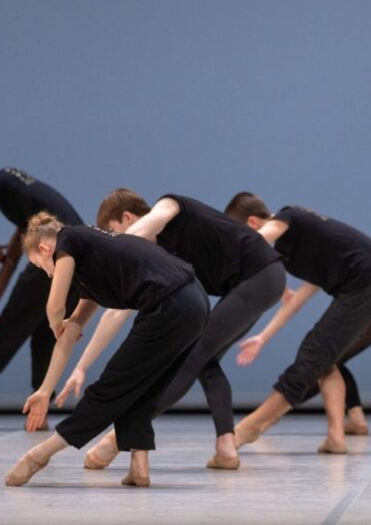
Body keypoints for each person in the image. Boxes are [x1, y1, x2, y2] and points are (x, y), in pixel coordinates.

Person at [65, 189, 286, 471]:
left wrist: (114, 248)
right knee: (206, 361)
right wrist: (82, 365)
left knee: (190, 358)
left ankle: (114, 442)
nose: (111, 241)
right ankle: (226, 447)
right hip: (259, 281)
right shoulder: (159, 259)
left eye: (112, 232)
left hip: (260, 275)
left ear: (128, 217)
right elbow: (117, 311)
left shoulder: (168, 205)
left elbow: (151, 222)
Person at [5, 213, 208, 487]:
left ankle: (40, 454)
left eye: (40, 266)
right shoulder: (88, 269)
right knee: (142, 389)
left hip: (172, 302)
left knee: (110, 387)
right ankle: (139, 468)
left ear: (44, 249)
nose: (47, 273)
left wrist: (55, 323)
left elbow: (55, 309)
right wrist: (44, 390)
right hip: (194, 303)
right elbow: (71, 332)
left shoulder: (69, 237)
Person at [224, 193, 371, 455]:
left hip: (368, 283)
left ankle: (249, 428)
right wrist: (263, 337)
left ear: (252, 222)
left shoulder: (288, 216)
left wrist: (225, 253)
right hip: (369, 285)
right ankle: (336, 437)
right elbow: (296, 301)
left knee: (312, 355)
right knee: (324, 360)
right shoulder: (295, 250)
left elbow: (258, 240)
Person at [0, 165, 82, 417]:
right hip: (78, 264)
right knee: (45, 334)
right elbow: (8, 264)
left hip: (54, 260)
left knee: (5, 334)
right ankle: (39, 410)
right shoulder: (20, 194)